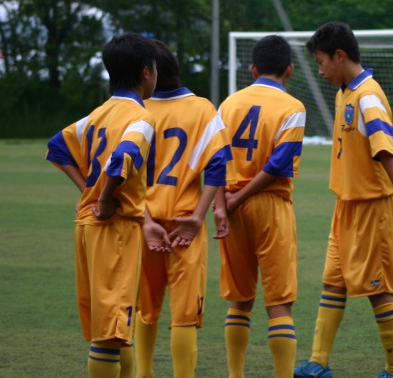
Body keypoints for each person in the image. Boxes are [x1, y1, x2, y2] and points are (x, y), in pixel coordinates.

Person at [294, 22, 393, 378]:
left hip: (372, 207)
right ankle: (319, 362)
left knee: (377, 289)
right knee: (332, 282)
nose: (320, 69)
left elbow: (387, 153)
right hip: (347, 206)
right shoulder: (344, 91)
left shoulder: (368, 96)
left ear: (340, 56)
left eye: (323, 61)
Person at [45, 33, 158, 378]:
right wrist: (105, 198)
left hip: (88, 226)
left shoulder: (98, 113)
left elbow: (57, 146)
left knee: (115, 327)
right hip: (115, 228)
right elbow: (123, 157)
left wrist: (88, 192)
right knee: (109, 334)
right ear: (145, 73)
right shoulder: (141, 117)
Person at [134, 40, 232, 378]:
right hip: (184, 223)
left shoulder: (137, 109)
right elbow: (217, 167)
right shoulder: (202, 108)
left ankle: (143, 373)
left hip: (142, 223)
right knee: (185, 314)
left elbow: (120, 172)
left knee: (145, 308)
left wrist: (145, 218)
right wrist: (198, 217)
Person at [214, 35, 306, 378]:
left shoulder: (228, 104)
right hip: (269, 204)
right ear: (290, 70)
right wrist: (238, 198)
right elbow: (279, 165)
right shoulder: (293, 107)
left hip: (231, 206)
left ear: (252, 69)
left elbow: (216, 160)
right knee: (279, 301)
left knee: (239, 298)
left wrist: (224, 203)